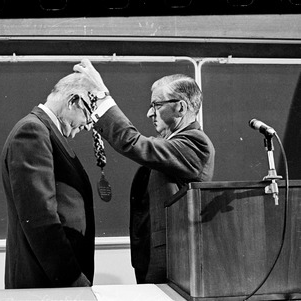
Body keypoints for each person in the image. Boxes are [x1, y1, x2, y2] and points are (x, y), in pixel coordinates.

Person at [74, 59, 215, 284]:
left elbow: (133, 143)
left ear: (181, 106)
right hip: (154, 259)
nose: (150, 113)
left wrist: (101, 96)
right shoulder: (173, 142)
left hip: (172, 263)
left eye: (157, 105)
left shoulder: (195, 143)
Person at [1, 71, 103, 289]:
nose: (86, 126)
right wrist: (72, 278)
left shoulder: (46, 132)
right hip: (46, 282)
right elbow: (40, 217)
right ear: (73, 101)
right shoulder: (32, 131)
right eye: (88, 115)